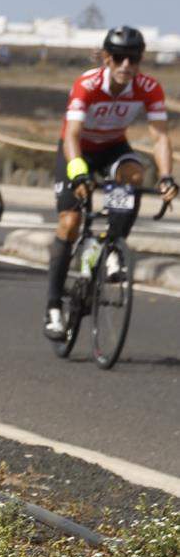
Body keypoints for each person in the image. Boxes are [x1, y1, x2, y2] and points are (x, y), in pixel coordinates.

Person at [43, 26, 175, 340]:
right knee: (70, 222)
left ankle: (113, 246)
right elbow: (72, 135)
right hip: (77, 149)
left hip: (113, 146)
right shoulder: (87, 84)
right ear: (106, 58)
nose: (126, 65)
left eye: (133, 58)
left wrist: (168, 176)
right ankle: (53, 306)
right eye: (119, 58)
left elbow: (159, 137)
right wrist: (78, 172)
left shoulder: (149, 87)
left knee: (133, 174)